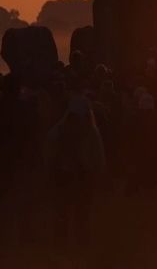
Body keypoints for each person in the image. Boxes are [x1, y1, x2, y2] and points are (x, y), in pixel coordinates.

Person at [45, 94, 105, 248]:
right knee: (80, 213)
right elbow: (98, 158)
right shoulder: (91, 132)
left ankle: (63, 244)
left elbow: (48, 153)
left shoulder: (58, 130)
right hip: (78, 176)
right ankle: (78, 244)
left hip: (67, 176)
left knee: (64, 212)